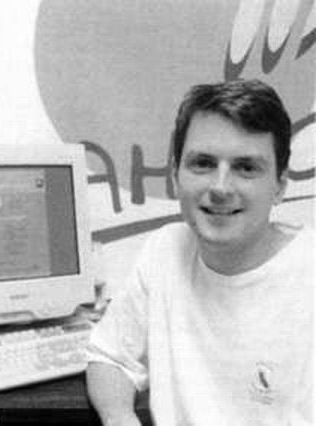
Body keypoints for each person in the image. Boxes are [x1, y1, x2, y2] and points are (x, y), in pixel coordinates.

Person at [86, 79, 313, 426]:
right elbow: (110, 357)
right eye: (203, 164)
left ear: (280, 186)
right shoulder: (164, 252)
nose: (220, 187)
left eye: (246, 167)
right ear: (175, 176)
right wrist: (119, 416)